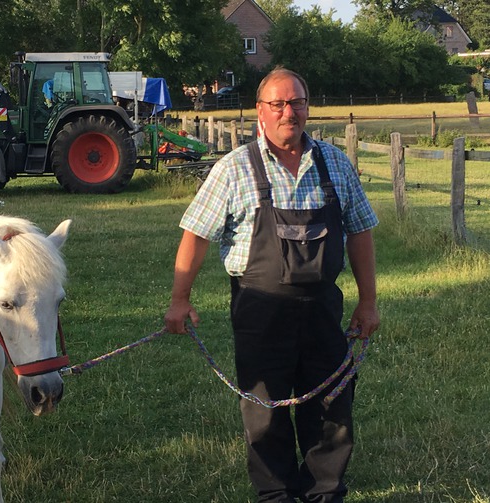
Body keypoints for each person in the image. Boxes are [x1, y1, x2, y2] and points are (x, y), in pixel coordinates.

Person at [164, 67, 379, 503]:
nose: (289, 112)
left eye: (297, 102)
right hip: (259, 311)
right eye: (278, 104)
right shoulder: (234, 168)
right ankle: (277, 493)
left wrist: (368, 303)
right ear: (260, 112)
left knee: (331, 406)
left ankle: (324, 491)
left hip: (322, 309)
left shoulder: (334, 163)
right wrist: (179, 300)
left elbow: (359, 231)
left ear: (307, 107)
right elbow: (195, 236)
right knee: (265, 412)